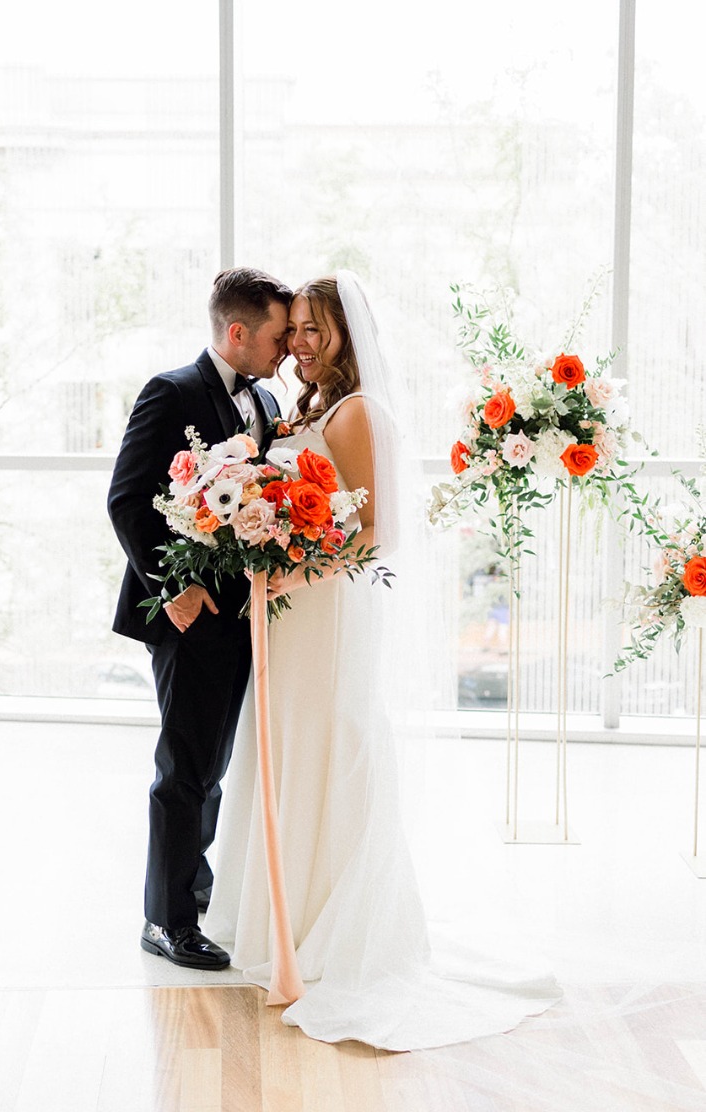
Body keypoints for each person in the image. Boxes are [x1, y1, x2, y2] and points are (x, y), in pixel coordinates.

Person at [204, 271, 561, 1048]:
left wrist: (290, 570)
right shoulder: (311, 407)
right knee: (291, 748)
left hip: (329, 611)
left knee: (336, 746)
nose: (298, 342)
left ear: (344, 334)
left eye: (312, 329)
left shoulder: (360, 411)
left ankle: (339, 927)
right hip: (294, 610)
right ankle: (289, 918)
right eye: (292, 328)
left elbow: (377, 537)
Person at [108, 267, 292, 970]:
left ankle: (194, 878)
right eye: (277, 336)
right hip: (186, 614)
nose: (283, 351)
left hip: (242, 612)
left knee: (213, 764)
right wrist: (172, 587)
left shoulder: (266, 399)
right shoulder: (171, 391)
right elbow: (128, 501)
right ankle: (166, 920)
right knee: (184, 770)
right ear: (237, 332)